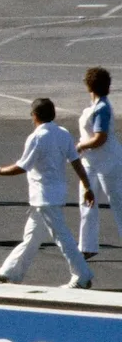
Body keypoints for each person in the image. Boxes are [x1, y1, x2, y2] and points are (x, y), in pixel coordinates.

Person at [0, 98, 96, 289]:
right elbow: (76, 161)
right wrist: (87, 186)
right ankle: (10, 272)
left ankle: (82, 275)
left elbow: (22, 166)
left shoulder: (37, 137)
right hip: (53, 195)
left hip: (44, 197)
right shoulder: (63, 133)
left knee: (63, 238)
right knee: (32, 237)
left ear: (35, 116)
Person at [77, 67, 122, 259]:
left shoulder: (101, 108)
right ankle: (87, 246)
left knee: (118, 200)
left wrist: (79, 146)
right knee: (87, 201)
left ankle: (87, 246)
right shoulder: (96, 106)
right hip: (92, 161)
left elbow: (100, 138)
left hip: (107, 161)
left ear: (89, 87)